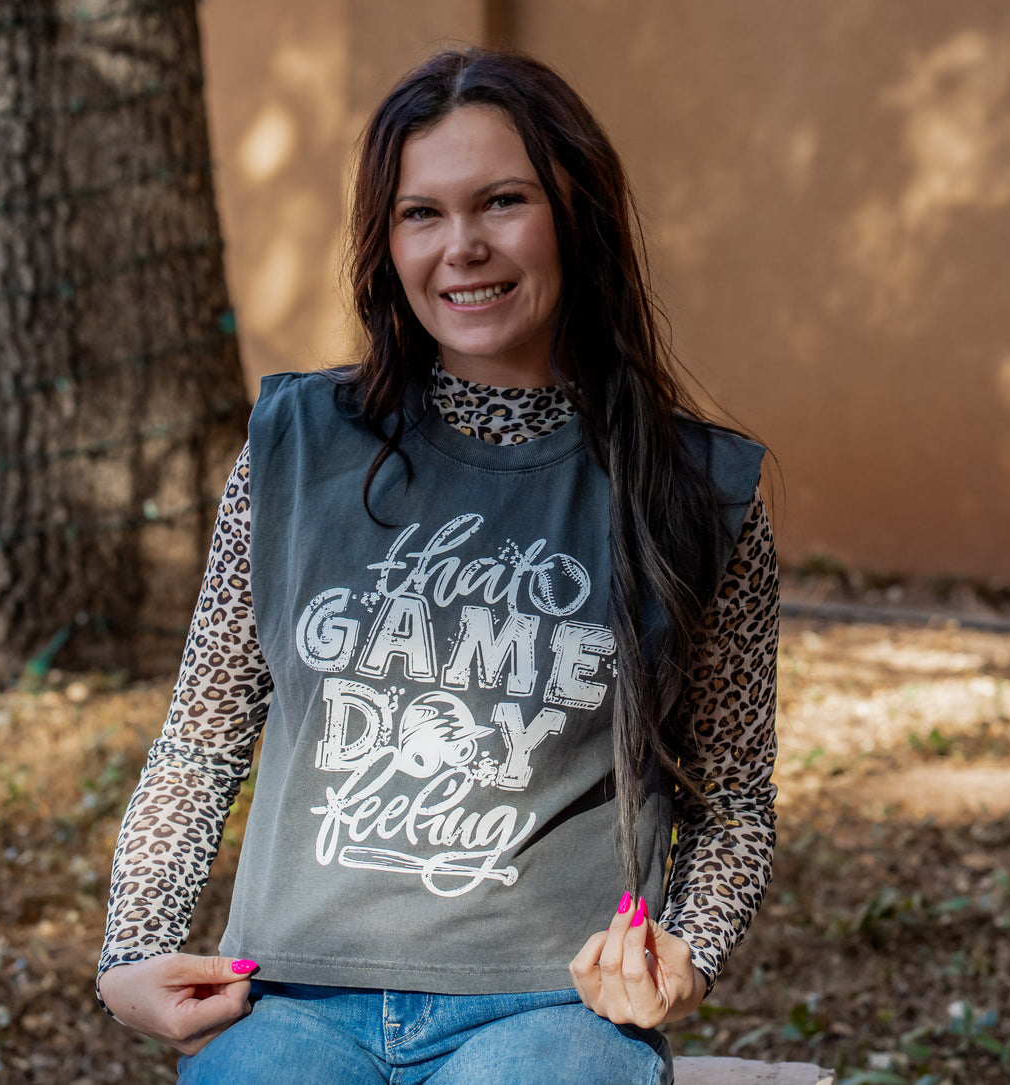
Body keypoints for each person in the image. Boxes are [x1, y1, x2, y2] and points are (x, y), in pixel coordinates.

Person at [97, 47, 779, 1085]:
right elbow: (201, 737)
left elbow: (731, 800)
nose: (460, 247)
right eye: (420, 214)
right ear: (385, 241)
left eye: (500, 201)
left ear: (574, 214)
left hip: (550, 1007)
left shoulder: (692, 489)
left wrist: (687, 951)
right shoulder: (294, 451)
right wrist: (132, 949)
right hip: (292, 994)